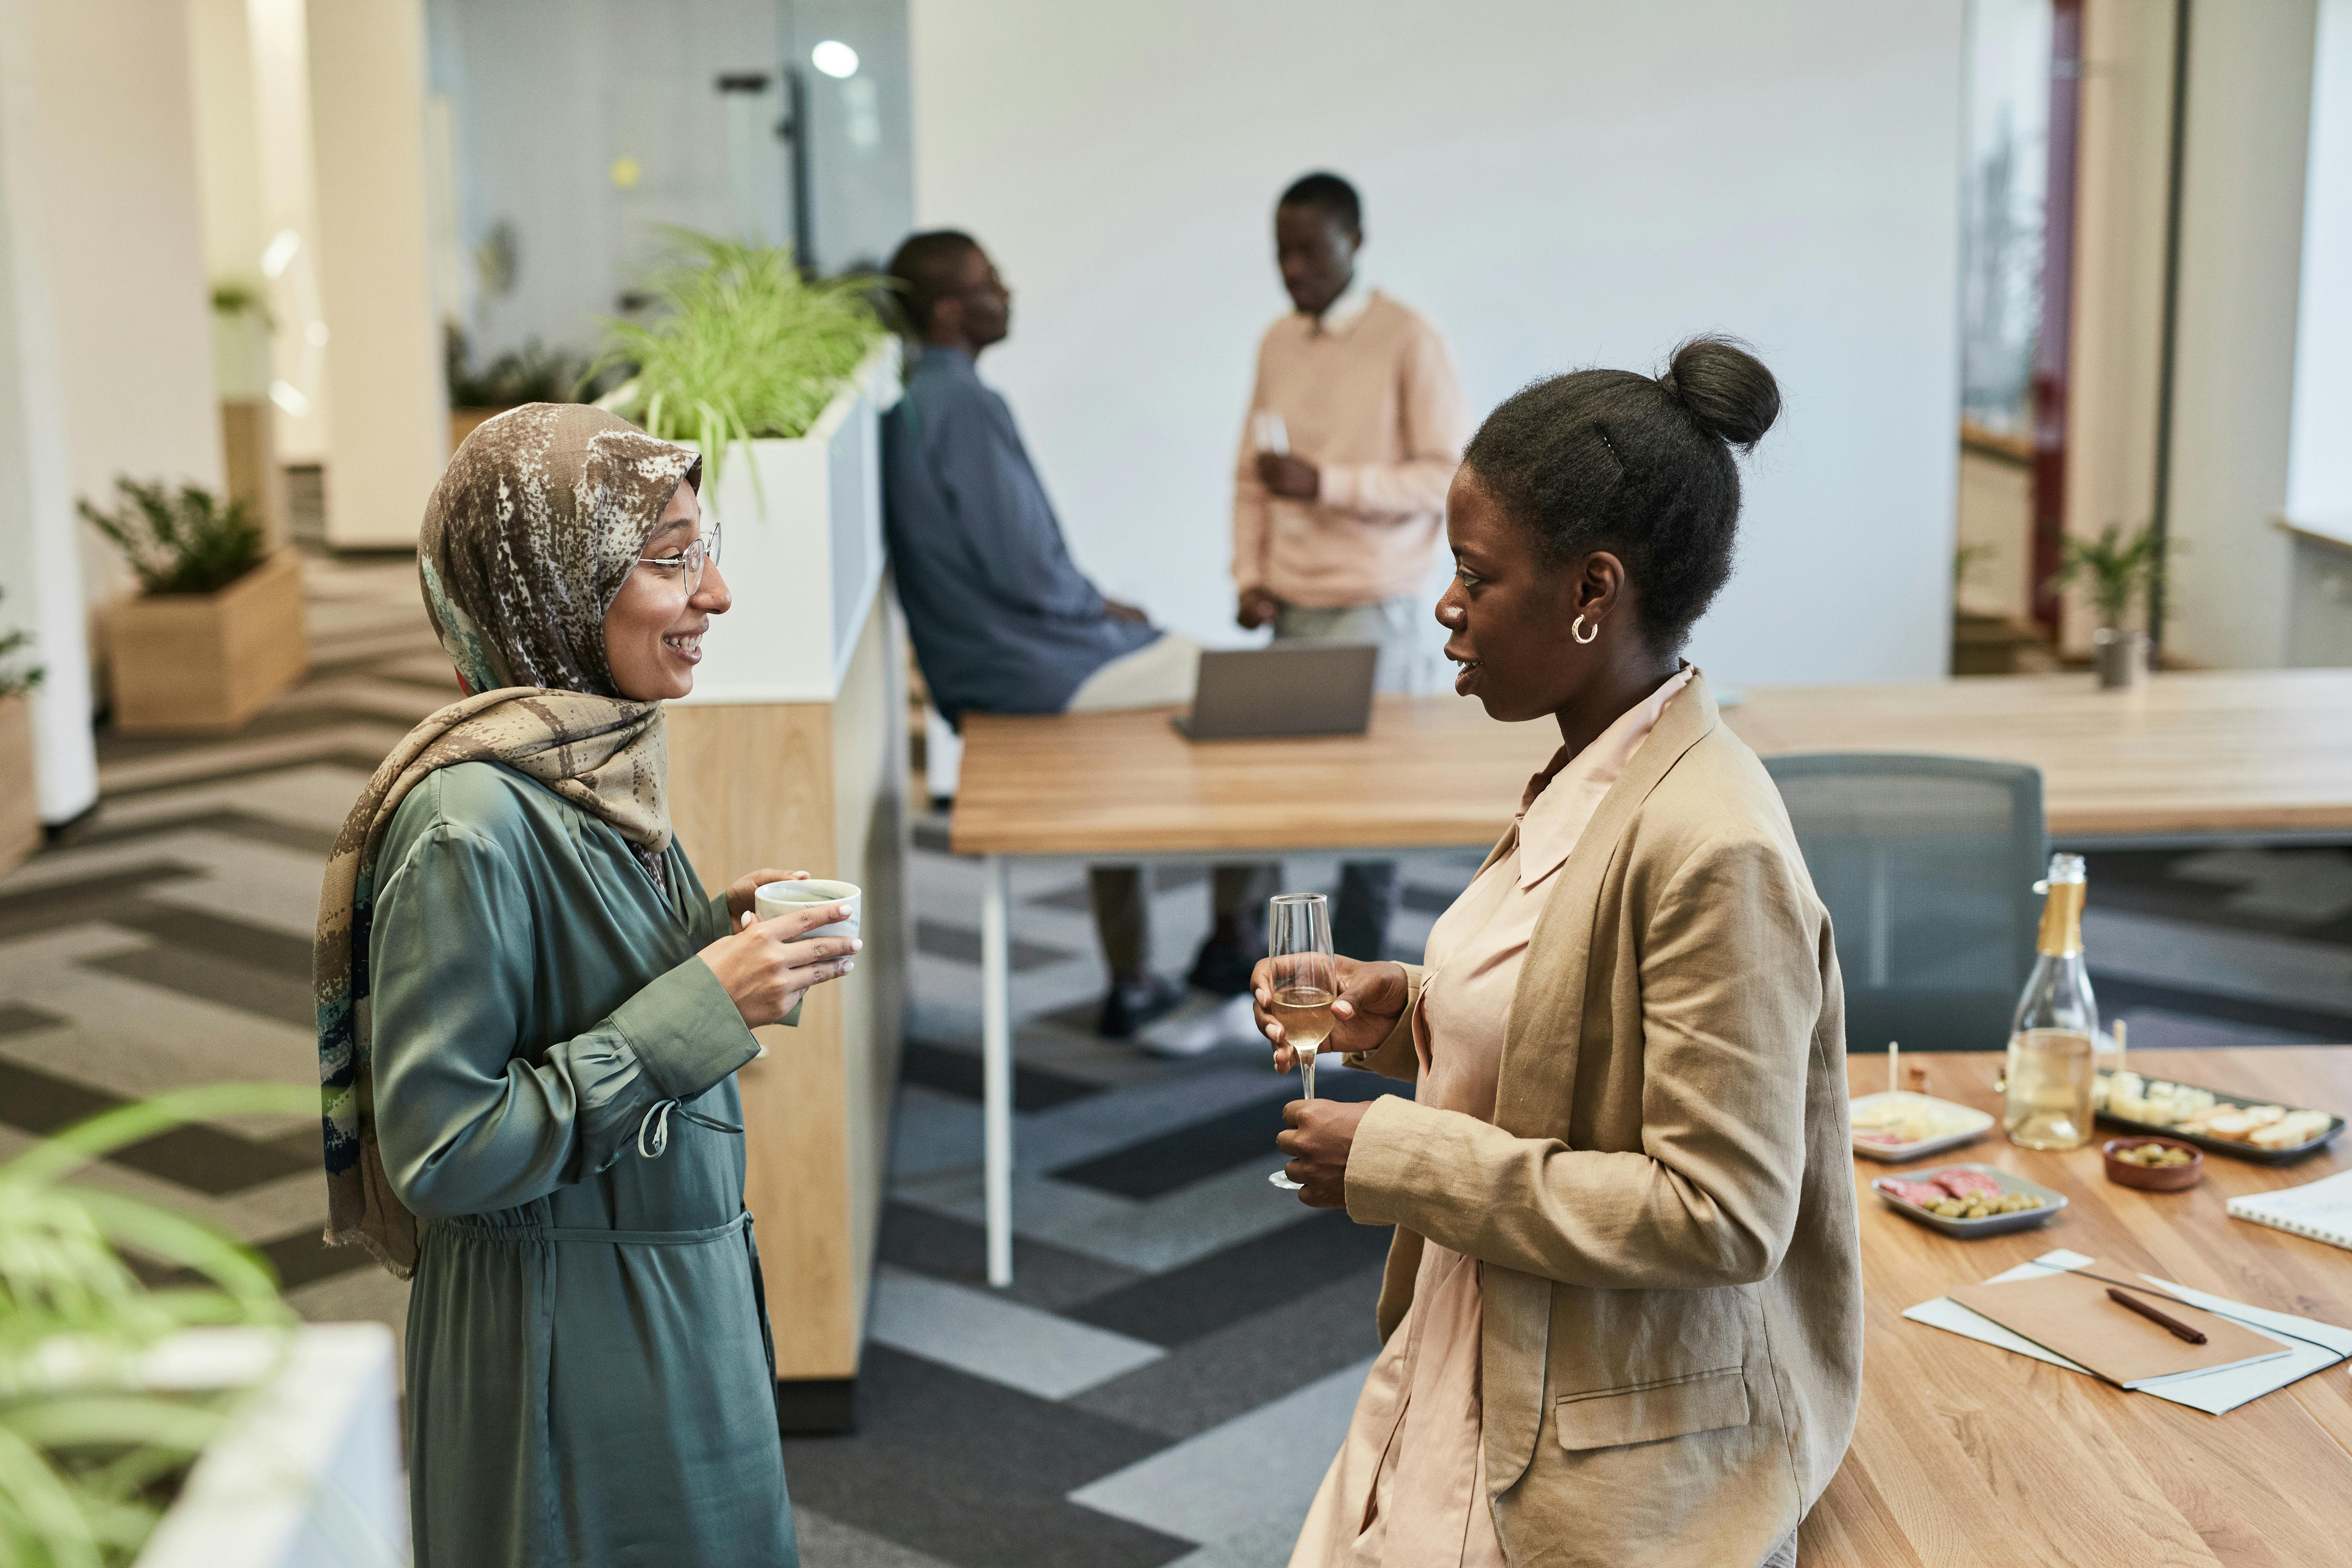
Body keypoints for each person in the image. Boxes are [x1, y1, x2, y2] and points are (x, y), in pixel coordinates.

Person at [1258, 339, 1861, 1568]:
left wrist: (1400, 1158)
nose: (1445, 603)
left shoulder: (1712, 842)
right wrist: (1406, 1016)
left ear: (1595, 590)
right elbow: (1577, 1031)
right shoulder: (1597, 772)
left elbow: (1722, 1211)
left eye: (1476, 574)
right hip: (1479, 1365)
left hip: (1601, 1455)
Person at [314, 405, 857, 1567]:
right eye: (669, 561)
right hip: (563, 1334)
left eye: (705, 553)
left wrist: (710, 939)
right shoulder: (470, 818)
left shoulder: (581, 766)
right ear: (550, 587)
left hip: (661, 1292)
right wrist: (703, 1004)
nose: (713, 595)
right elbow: (446, 1148)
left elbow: (567, 1000)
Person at [883, 229, 1248, 1038]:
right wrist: (1096, 608)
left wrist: (1086, 604)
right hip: (1035, 666)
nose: (1005, 292)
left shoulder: (913, 403)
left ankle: (1132, 978)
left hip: (988, 660)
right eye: (990, 282)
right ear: (950, 309)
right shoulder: (967, 405)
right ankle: (1235, 943)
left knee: (1119, 762)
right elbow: (1023, 566)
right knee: (1236, 690)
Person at [1215, 171, 1468, 980]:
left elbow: (1444, 477)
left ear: (1354, 243)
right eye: (1280, 253)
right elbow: (1252, 474)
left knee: (1371, 815)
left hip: (1376, 608)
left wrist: (1327, 483)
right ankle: (1249, 975)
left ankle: (1362, 990)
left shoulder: (1408, 338)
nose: (1292, 270)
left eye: (1308, 251)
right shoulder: (1276, 341)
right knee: (1263, 802)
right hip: (1290, 605)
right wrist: (1250, 574)